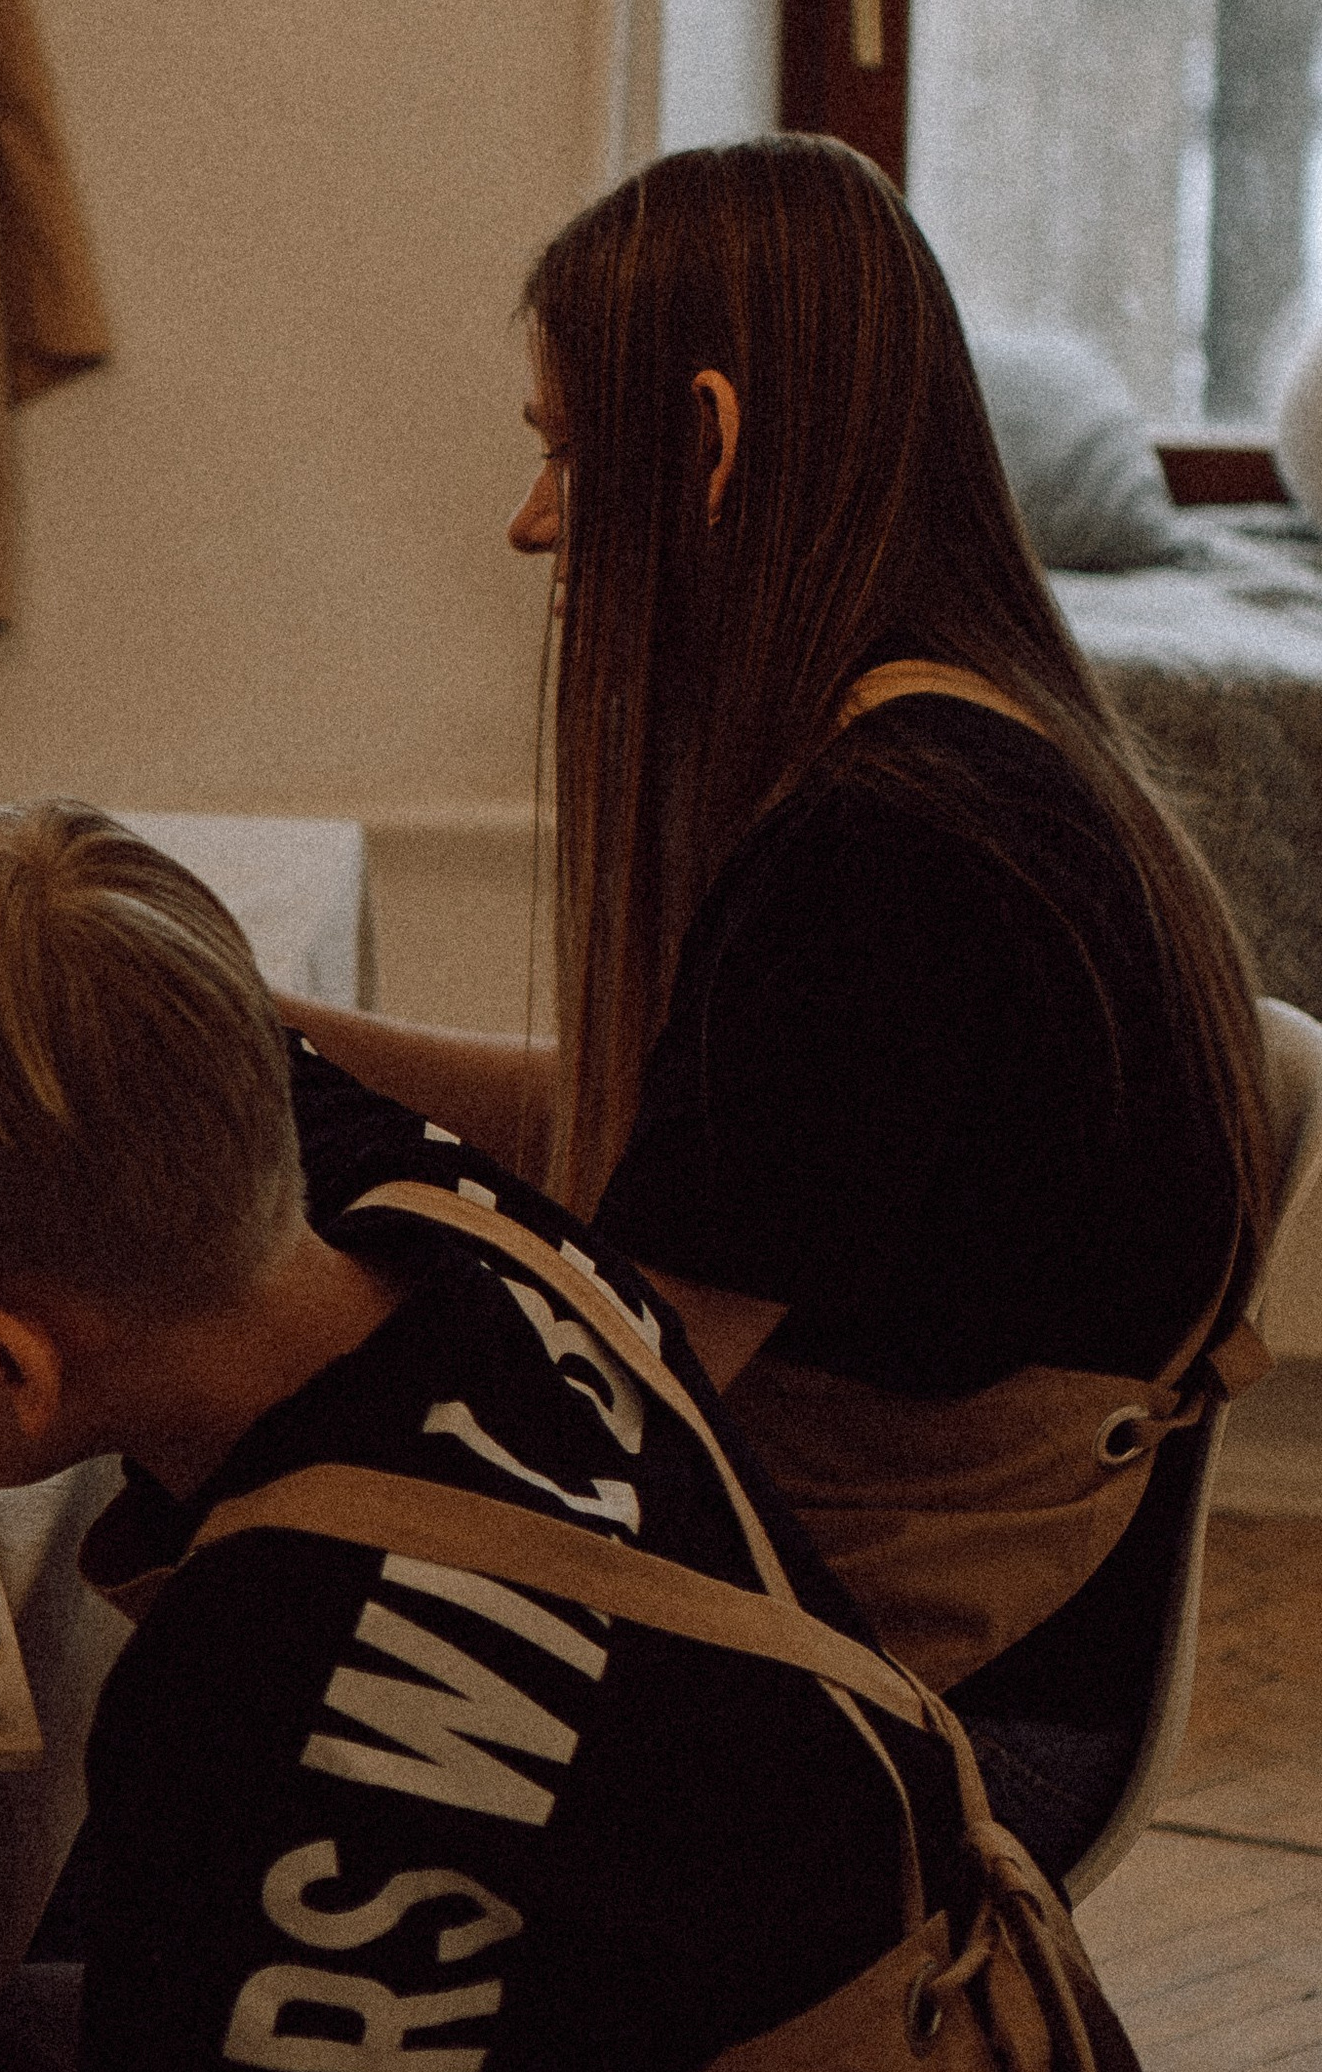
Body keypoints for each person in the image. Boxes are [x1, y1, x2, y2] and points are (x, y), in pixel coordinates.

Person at [0, 799, 1171, 2072]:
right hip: (930, 2030)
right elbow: (159, 1014)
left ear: (10, 1365)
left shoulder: (274, 1710)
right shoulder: (432, 1209)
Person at [282, 133, 1277, 1879]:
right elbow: (693, 1132)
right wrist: (272, 1036)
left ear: (717, 445)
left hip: (934, 1705)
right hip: (996, 1632)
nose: (530, 526)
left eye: (567, 459)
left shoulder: (887, 857)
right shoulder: (970, 740)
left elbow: (591, 1404)